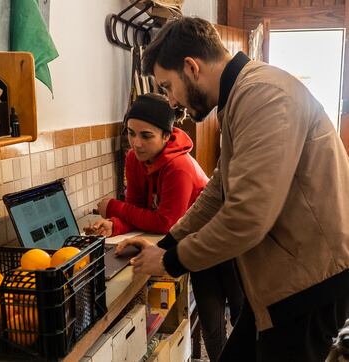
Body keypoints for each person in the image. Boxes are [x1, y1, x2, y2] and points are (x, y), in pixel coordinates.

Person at [116, 16, 349, 362]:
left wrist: (171, 260)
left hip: (309, 284)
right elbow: (219, 189)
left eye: (167, 87)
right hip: (282, 281)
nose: (173, 102)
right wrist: (170, 241)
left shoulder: (263, 96)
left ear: (191, 67)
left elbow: (247, 217)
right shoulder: (241, 97)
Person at [87, 92, 243, 360]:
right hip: (193, 246)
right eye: (131, 133)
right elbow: (138, 208)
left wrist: (113, 207)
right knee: (211, 323)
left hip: (222, 240)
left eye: (146, 135)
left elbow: (166, 223)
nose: (136, 143)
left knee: (241, 317)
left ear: (166, 136)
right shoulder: (134, 160)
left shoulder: (179, 166)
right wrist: (114, 225)